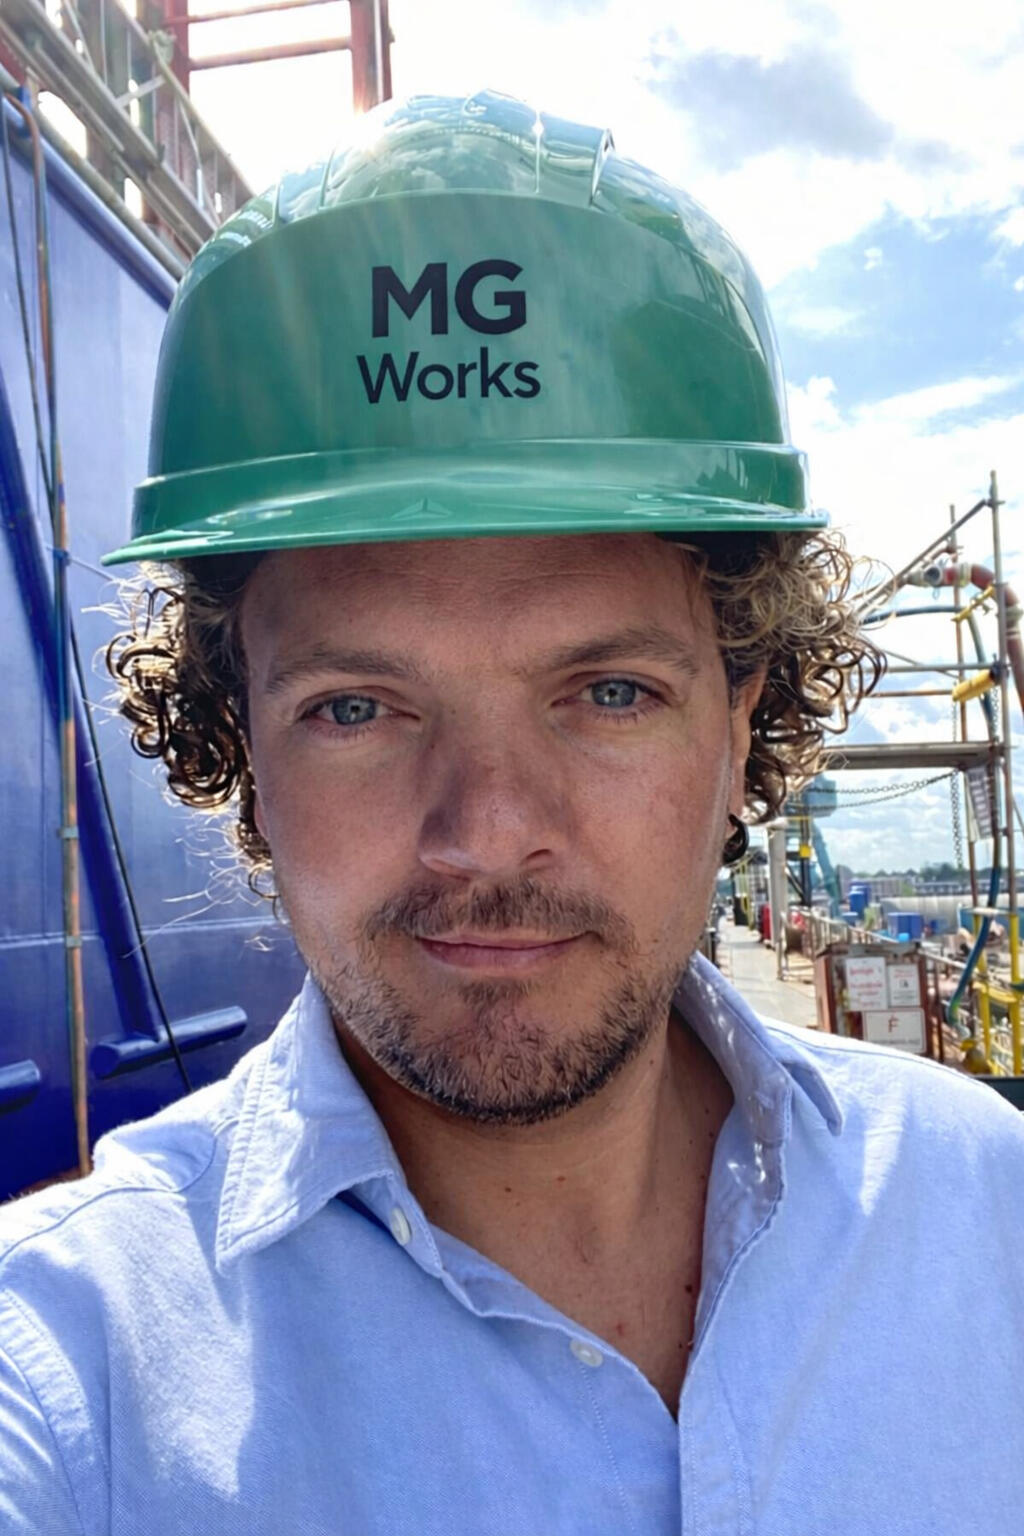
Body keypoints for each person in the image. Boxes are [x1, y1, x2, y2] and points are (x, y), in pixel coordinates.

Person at [2, 90, 1023, 1534]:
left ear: (741, 720)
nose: (487, 831)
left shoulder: (986, 1212)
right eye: (356, 708)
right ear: (240, 742)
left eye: (606, 693)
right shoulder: (71, 1379)